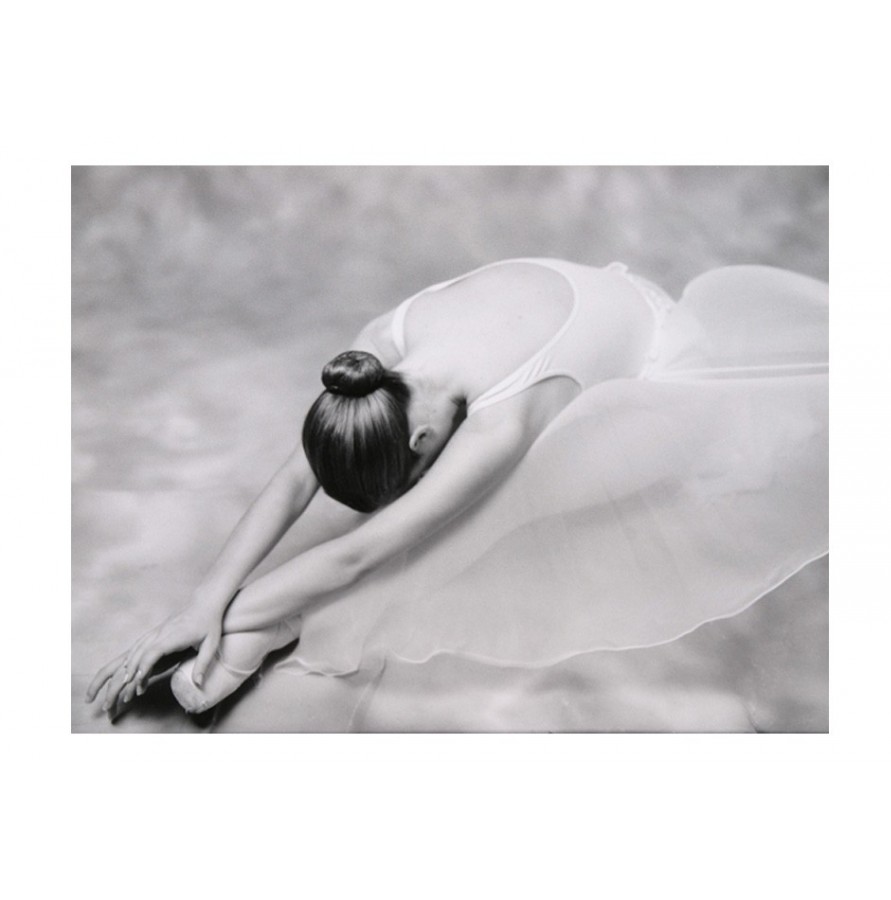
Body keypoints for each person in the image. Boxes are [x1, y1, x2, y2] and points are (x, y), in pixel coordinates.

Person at [85, 258, 828, 722]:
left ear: (418, 444)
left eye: (399, 484)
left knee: (472, 523)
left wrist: (241, 615)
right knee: (409, 523)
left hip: (660, 370)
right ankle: (271, 622)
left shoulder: (501, 421)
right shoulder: (373, 361)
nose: (389, 502)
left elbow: (360, 554)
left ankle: (282, 627)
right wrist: (200, 603)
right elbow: (291, 481)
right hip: (568, 317)